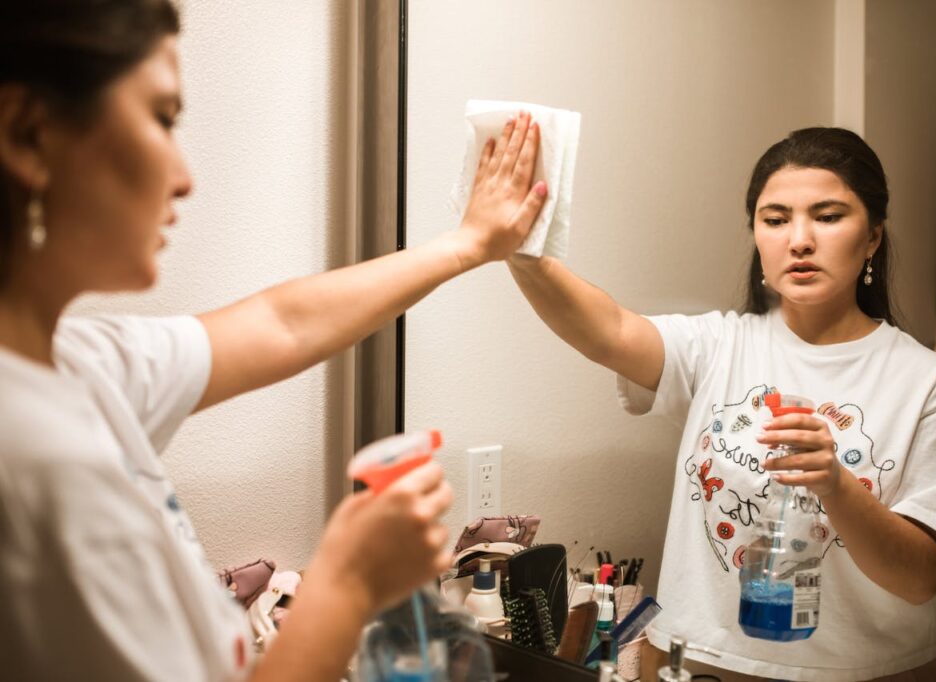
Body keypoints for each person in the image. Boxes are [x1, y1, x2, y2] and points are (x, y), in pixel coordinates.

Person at [0, 1, 548, 680]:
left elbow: (280, 322)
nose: (184, 175)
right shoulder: (27, 460)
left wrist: (467, 245)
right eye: (162, 118)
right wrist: (346, 584)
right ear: (28, 135)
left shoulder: (74, 364)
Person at [508, 127, 936, 681]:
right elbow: (605, 330)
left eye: (827, 216)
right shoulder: (717, 346)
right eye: (775, 220)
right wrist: (523, 251)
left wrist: (835, 485)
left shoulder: (926, 384)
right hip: (702, 663)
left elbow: (919, 578)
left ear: (872, 237)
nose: (799, 239)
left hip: (878, 670)